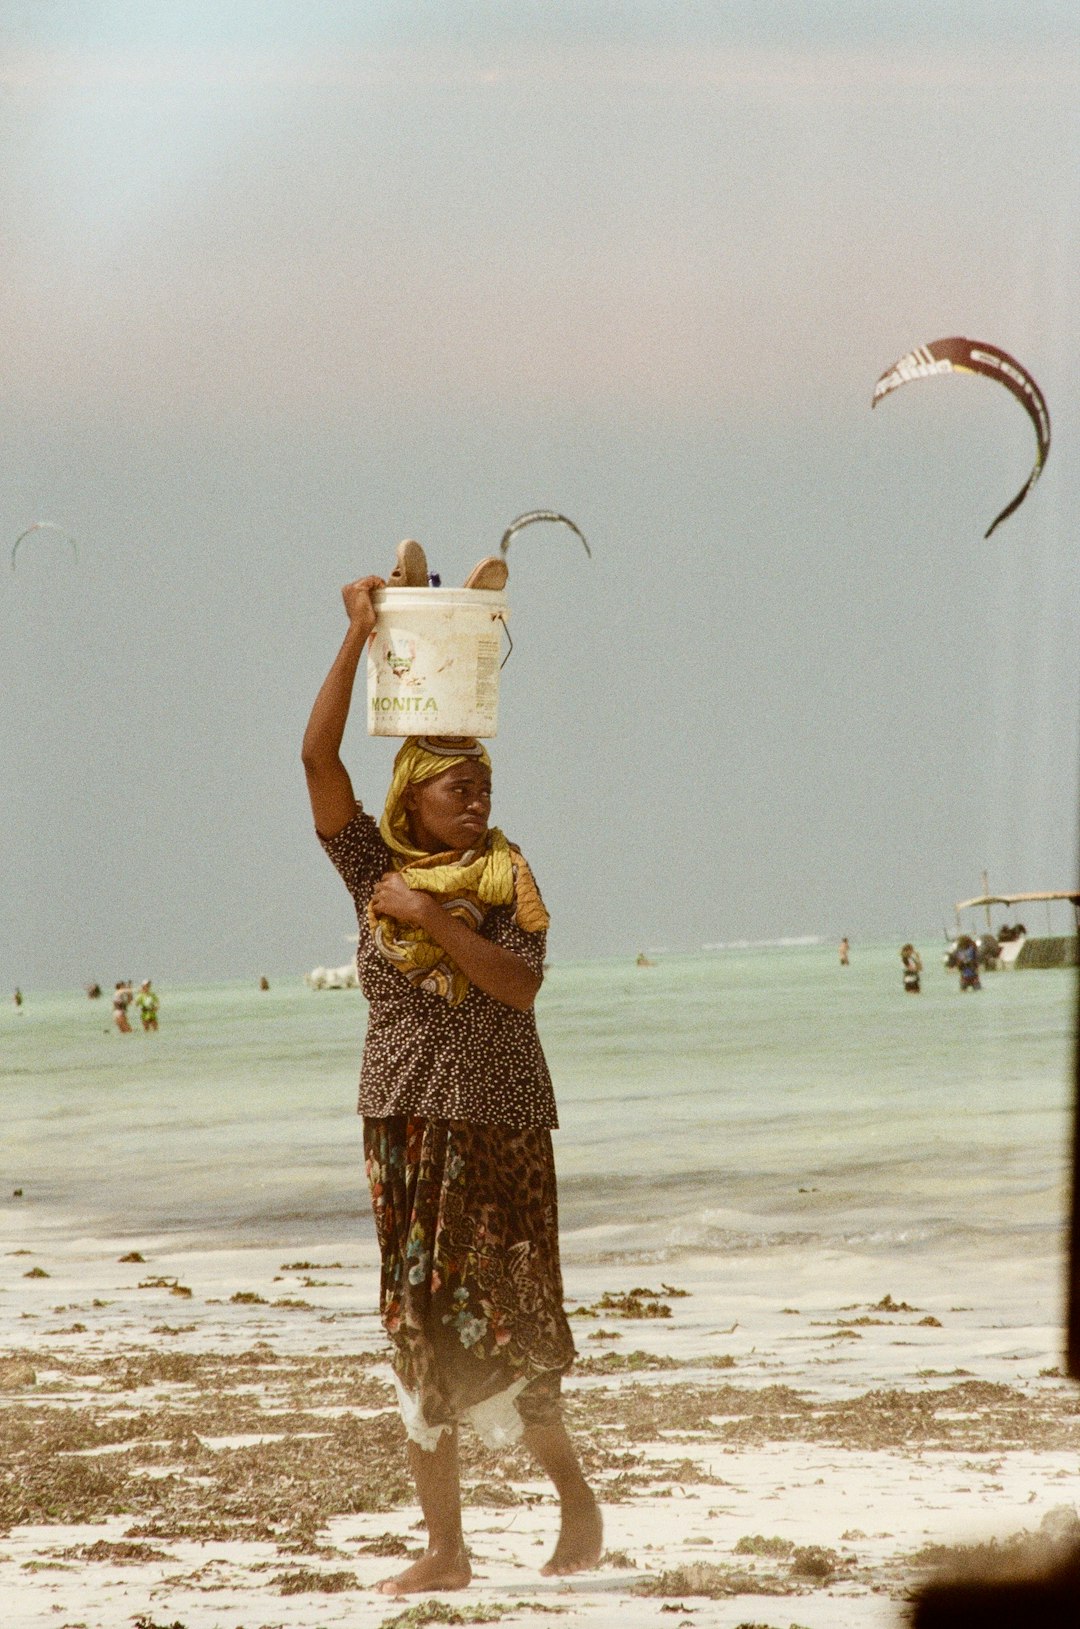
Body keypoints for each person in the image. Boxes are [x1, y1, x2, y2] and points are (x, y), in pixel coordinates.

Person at [302, 573, 602, 1598]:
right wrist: (353, 637)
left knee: (513, 1324)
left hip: (499, 1121)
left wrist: (433, 920)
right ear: (411, 797)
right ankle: (448, 1547)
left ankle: (574, 1499)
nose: (476, 804)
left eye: (482, 787)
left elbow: (517, 989)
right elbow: (316, 760)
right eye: (455, 789)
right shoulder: (369, 867)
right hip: (401, 1116)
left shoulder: (503, 880)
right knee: (417, 1325)